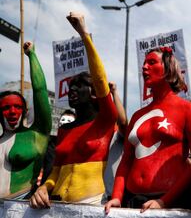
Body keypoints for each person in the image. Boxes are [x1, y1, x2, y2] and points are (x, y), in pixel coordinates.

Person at [29, 12, 117, 207]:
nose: (72, 90)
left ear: (94, 93)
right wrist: (44, 188)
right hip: (57, 205)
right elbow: (56, 172)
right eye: (70, 87)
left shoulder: (105, 120)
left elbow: (101, 80)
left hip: (92, 204)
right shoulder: (65, 129)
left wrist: (83, 34)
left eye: (79, 85)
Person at [104, 46, 191, 213]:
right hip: (131, 201)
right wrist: (117, 197)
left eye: (152, 62)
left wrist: (164, 201)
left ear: (168, 68)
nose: (144, 67)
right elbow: (125, 162)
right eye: (144, 63)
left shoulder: (188, 110)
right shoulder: (137, 115)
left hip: (173, 203)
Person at [0, 41, 52, 199]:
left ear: (25, 111)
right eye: (6, 108)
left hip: (22, 206)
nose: (13, 112)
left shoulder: (36, 135)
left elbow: (40, 90)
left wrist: (32, 55)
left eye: (17, 107)